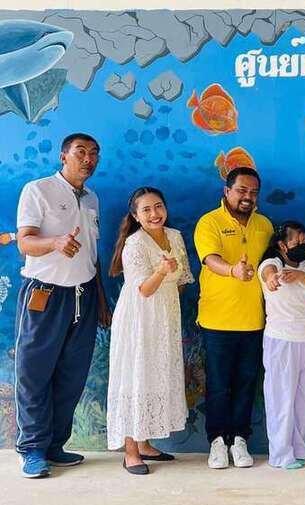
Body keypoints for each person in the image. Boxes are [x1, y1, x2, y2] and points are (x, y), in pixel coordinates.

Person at [14, 133, 112, 478]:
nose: (88, 159)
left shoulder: (92, 199)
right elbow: (24, 242)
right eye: (80, 152)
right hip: (45, 294)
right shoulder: (38, 190)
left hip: (84, 296)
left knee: (72, 375)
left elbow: (92, 255)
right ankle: (32, 449)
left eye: (94, 153)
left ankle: (55, 445)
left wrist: (101, 300)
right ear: (63, 156)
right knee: (34, 373)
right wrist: (55, 242)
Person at [106, 187, 194, 475]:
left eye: (159, 206)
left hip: (164, 316)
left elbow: (182, 279)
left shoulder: (175, 236)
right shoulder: (134, 244)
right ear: (135, 216)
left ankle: (144, 444)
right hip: (139, 319)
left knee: (155, 375)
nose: (154, 214)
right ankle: (131, 452)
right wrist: (162, 271)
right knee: (135, 377)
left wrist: (169, 310)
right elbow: (144, 289)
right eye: (146, 210)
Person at [194, 166, 274, 469]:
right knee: (218, 384)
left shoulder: (264, 225)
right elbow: (210, 259)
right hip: (217, 319)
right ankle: (217, 440)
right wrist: (232, 270)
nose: (247, 197)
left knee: (246, 383)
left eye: (253, 192)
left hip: (254, 319)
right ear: (227, 191)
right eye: (241, 190)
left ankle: (240, 439)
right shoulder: (209, 222)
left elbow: (278, 257)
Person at [258, 221, 305, 469]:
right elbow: (268, 274)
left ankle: (298, 450)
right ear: (281, 244)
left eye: (303, 239)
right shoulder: (272, 264)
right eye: (295, 240)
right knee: (281, 399)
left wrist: (302, 276)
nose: (301, 243)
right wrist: (272, 279)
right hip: (281, 340)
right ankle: (280, 454)